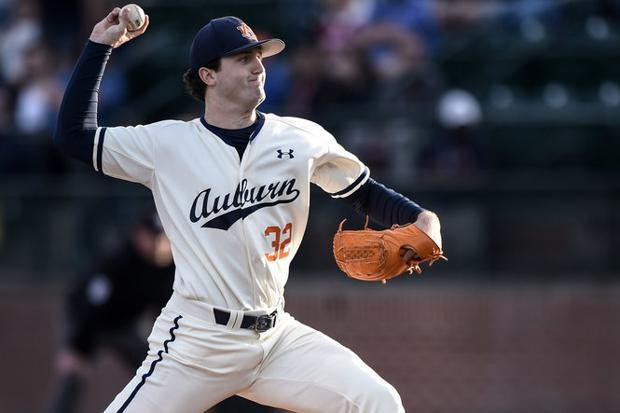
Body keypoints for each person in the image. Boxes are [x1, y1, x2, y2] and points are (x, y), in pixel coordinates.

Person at [53, 7, 443, 412]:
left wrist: (422, 219)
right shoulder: (166, 145)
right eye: (243, 59)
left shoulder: (300, 138)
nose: (258, 67)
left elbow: (363, 193)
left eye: (259, 56)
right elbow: (74, 136)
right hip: (197, 342)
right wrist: (100, 46)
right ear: (208, 75)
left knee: (377, 401)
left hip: (276, 339)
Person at [45, 213, 175, 413]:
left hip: (121, 325)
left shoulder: (163, 268)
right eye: (156, 237)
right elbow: (91, 306)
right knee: (73, 372)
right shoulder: (118, 261)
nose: (161, 245)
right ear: (141, 236)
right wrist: (77, 347)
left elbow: (162, 306)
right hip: (85, 321)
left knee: (153, 368)